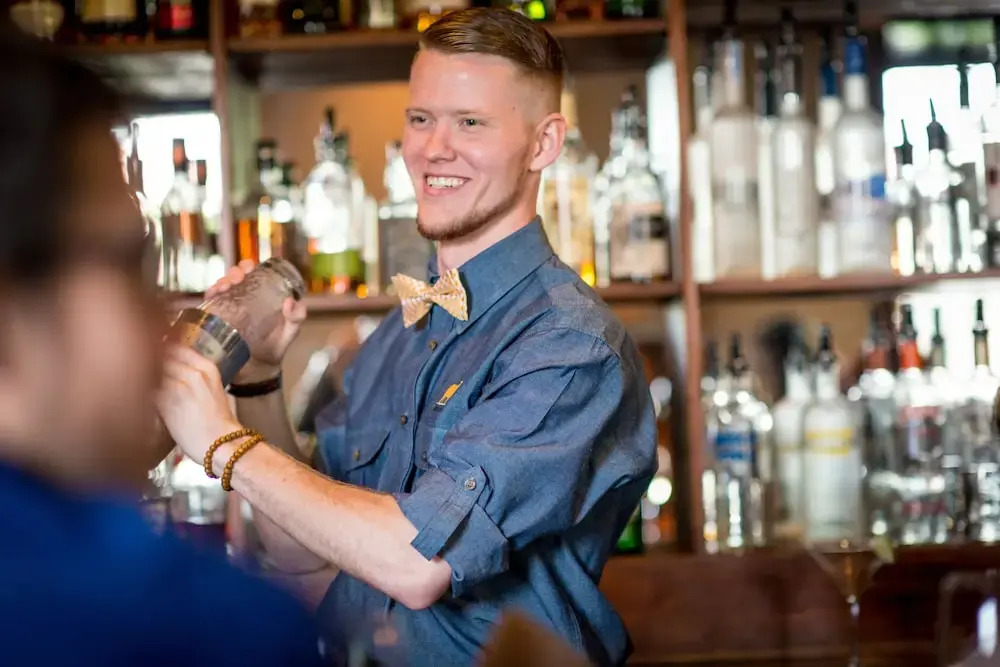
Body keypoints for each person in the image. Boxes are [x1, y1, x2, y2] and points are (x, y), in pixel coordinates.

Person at [157, 8, 658, 666]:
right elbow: (302, 550)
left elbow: (418, 562)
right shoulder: (396, 336)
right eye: (421, 118)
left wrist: (220, 442)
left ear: (543, 143)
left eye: (470, 122)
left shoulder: (570, 345)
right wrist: (257, 384)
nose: (433, 148)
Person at [0, 26, 323, 666]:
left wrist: (254, 386)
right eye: (128, 266)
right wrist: (219, 442)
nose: (157, 326)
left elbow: (308, 557)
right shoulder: (205, 626)